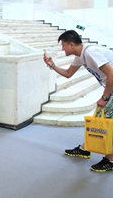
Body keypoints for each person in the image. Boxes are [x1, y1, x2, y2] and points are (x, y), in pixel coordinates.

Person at [43, 30, 113, 172]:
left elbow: (112, 73)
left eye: (63, 45)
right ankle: (85, 148)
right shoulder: (81, 56)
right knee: (101, 119)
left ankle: (110, 160)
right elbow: (68, 74)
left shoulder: (90, 52)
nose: (62, 48)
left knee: (108, 122)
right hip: (112, 88)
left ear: (72, 44)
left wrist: (105, 97)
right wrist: (52, 65)